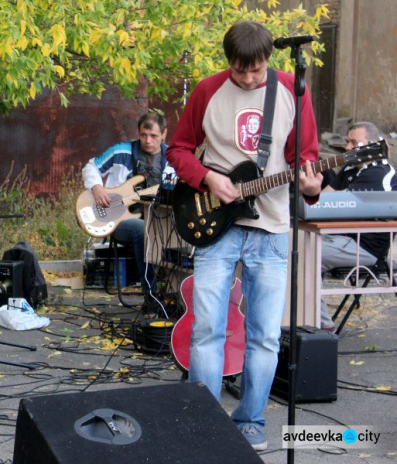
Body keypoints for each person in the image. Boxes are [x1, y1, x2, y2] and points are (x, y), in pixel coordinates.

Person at [165, 20, 322, 451]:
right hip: (216, 224)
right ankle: (203, 421)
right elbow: (177, 149)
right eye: (240, 71)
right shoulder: (206, 91)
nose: (249, 78)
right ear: (228, 62)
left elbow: (305, 158)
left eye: (256, 70)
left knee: (265, 335)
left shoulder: (293, 89)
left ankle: (250, 420)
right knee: (208, 328)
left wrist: (311, 185)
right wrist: (208, 180)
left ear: (269, 59)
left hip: (271, 227)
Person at [82, 112, 174, 307]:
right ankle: (152, 297)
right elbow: (91, 167)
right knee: (143, 230)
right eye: (143, 135)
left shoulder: (172, 158)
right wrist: (97, 188)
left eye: (154, 136)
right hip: (118, 219)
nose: (148, 141)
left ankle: (176, 295)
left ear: (164, 134)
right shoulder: (121, 152)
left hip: (159, 218)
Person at [319, 121, 397, 331]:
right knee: (290, 248)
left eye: (354, 143)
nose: (347, 148)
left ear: (372, 144)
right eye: (347, 142)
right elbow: (323, 201)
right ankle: (307, 319)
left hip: (364, 246)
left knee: (304, 257)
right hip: (340, 238)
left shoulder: (378, 171)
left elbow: (332, 205)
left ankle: (322, 328)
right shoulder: (351, 169)